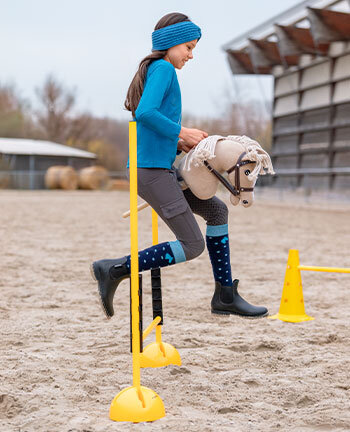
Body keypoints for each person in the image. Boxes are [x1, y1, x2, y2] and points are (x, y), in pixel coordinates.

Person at [91, 12, 268, 319]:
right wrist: (182, 132)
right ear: (171, 44)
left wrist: (179, 143)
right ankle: (115, 269)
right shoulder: (163, 68)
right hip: (151, 172)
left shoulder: (159, 70)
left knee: (217, 211)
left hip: (159, 168)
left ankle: (224, 294)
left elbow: (149, 126)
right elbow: (144, 112)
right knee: (192, 244)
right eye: (188, 46)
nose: (191, 54)